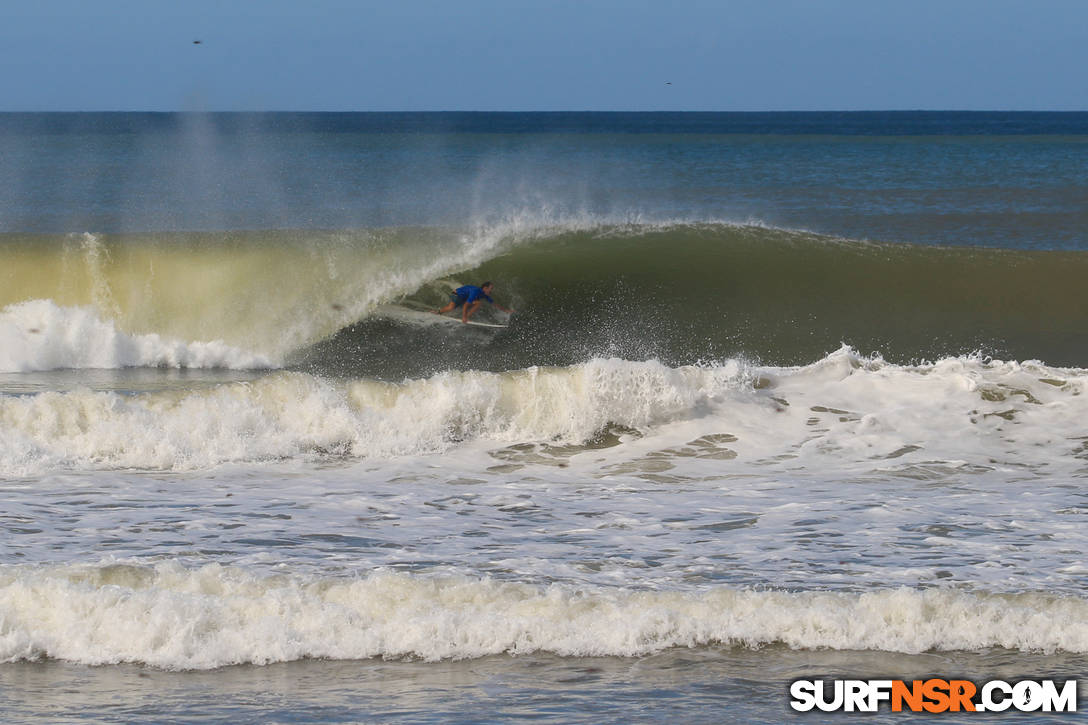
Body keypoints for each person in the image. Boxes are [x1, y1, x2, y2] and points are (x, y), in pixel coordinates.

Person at [433, 281, 515, 323]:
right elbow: (465, 305)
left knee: (477, 302)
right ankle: (438, 312)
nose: (491, 290)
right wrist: (465, 317)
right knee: (451, 307)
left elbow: (494, 304)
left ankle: (463, 316)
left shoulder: (483, 294)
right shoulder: (475, 291)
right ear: (485, 288)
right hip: (457, 294)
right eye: (490, 288)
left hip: (464, 297)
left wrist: (506, 310)